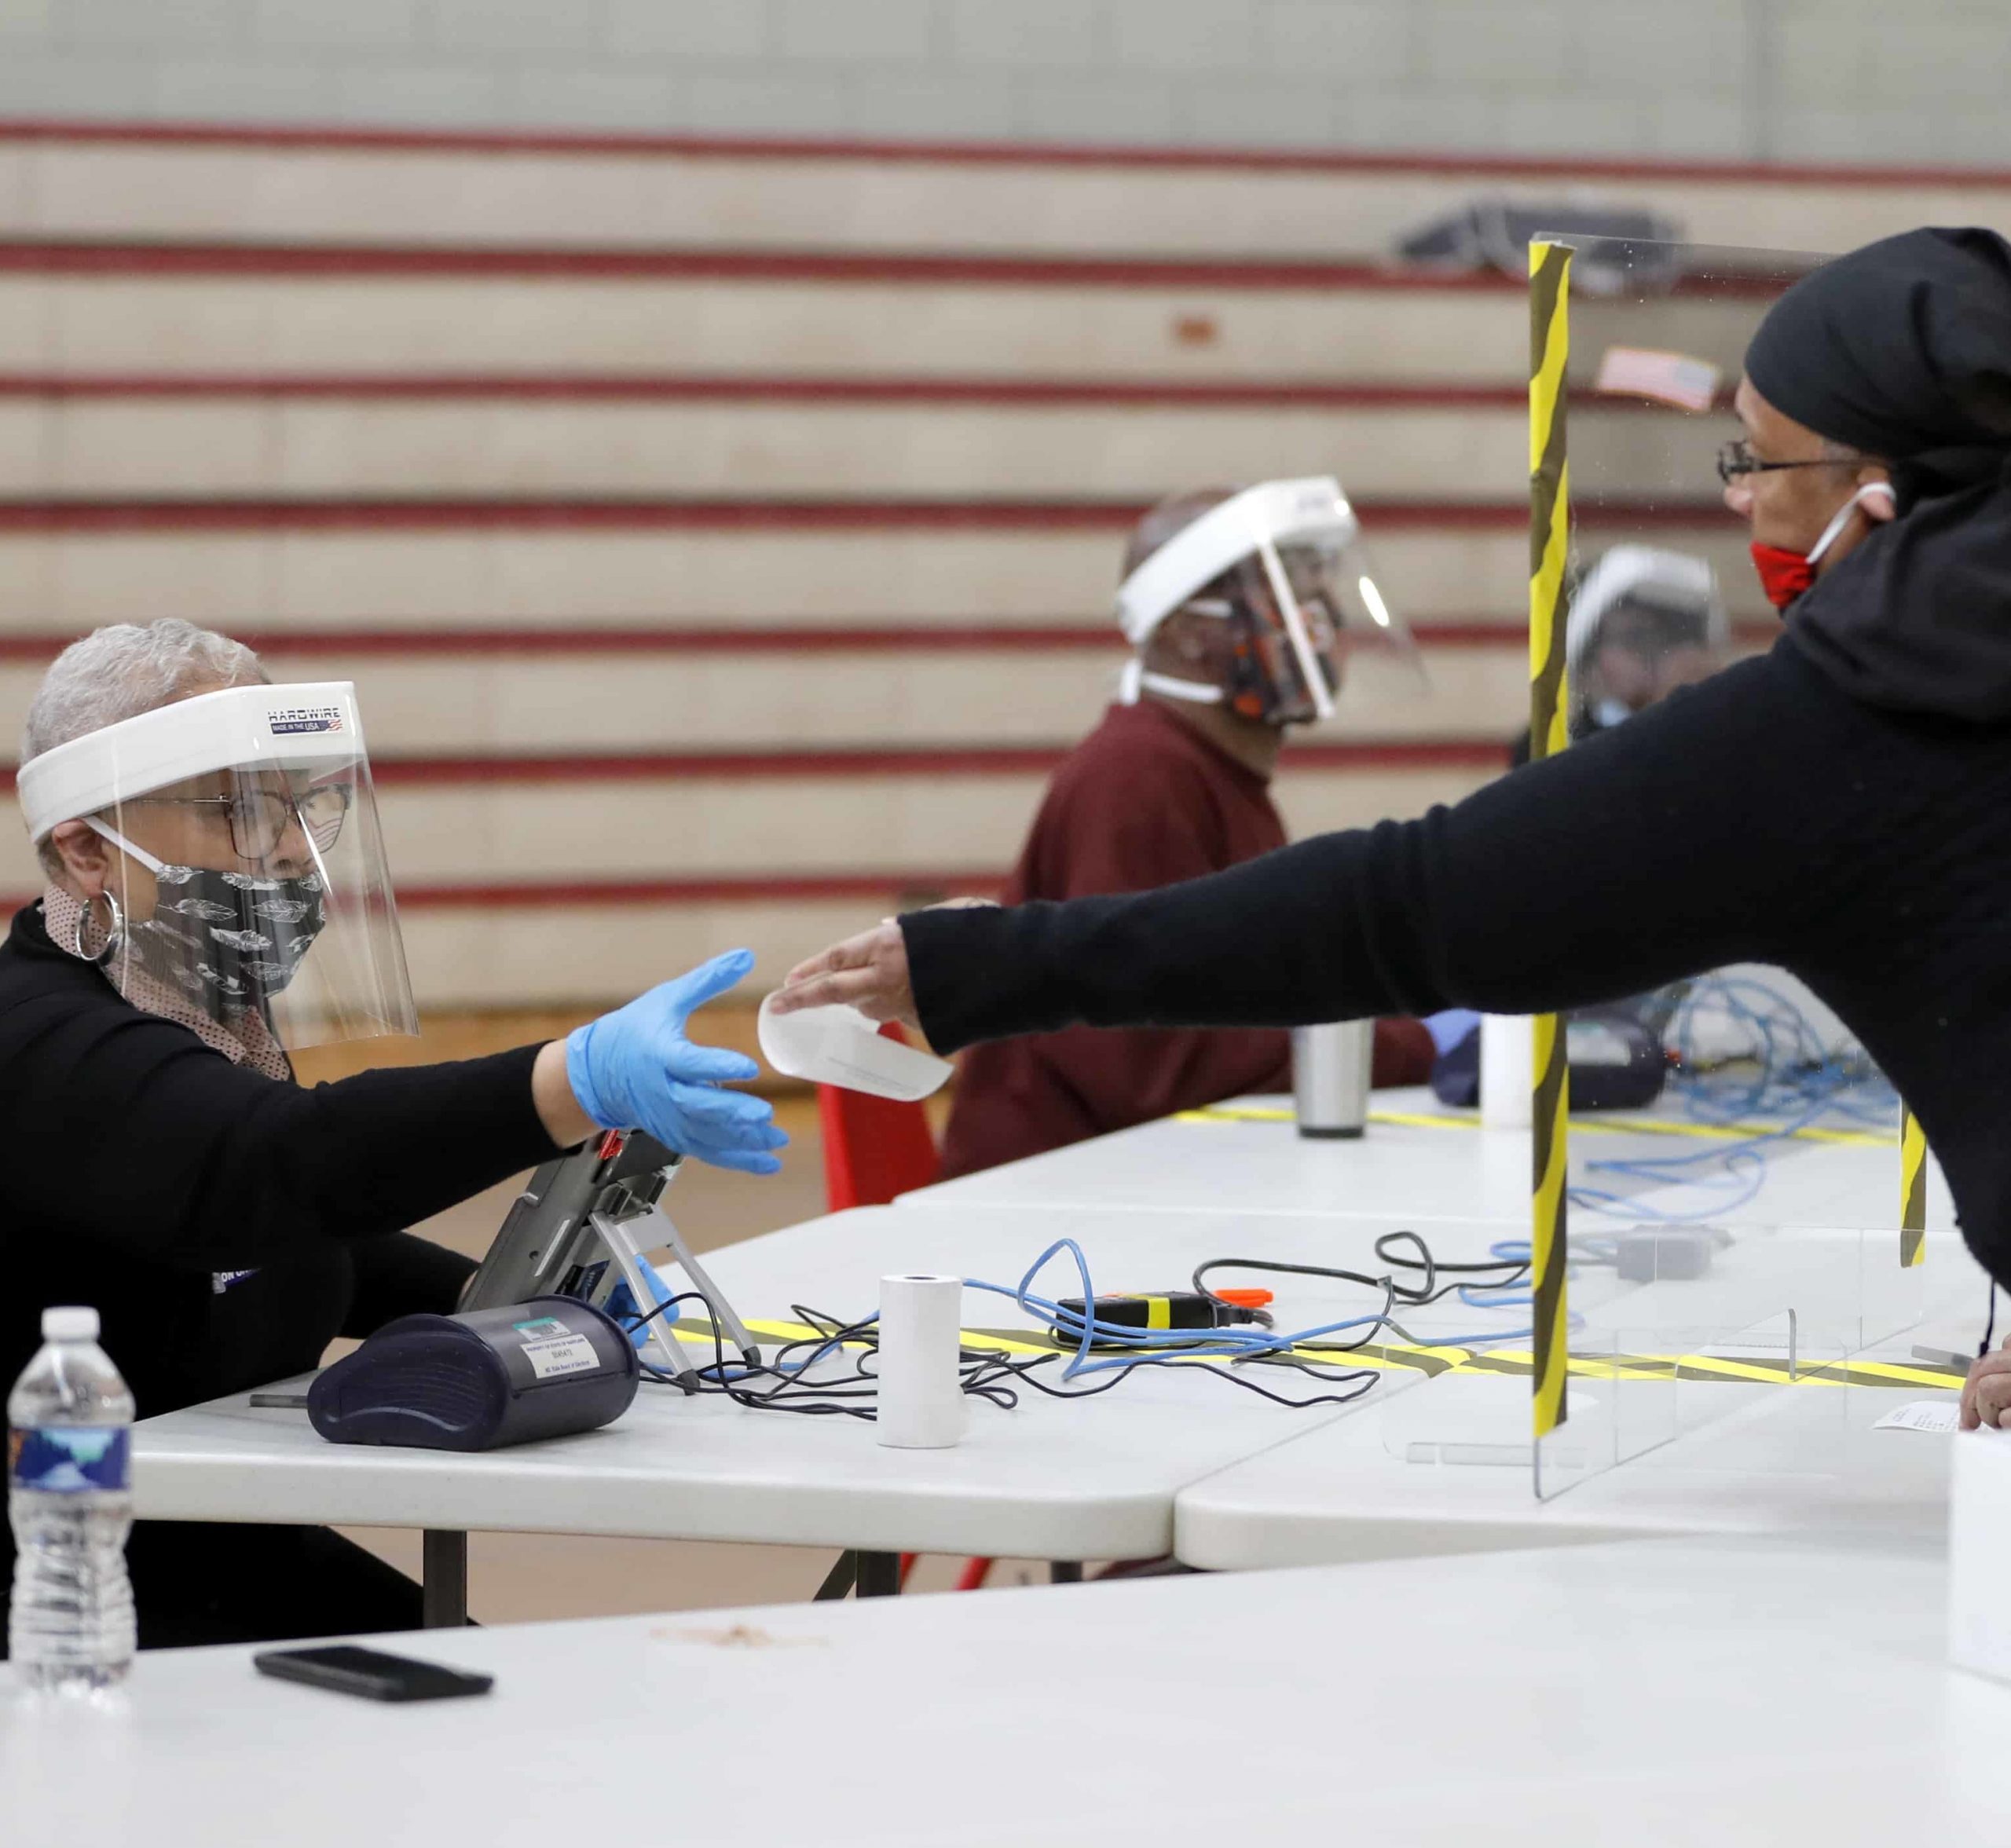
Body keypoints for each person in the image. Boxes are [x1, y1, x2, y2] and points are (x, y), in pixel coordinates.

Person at [771, 226, 2011, 1425]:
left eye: (1758, 461)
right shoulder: (1143, 769)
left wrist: (987, 963)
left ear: (1884, 491)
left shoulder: (1855, 721)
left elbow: (1413, 905)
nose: (1742, 502)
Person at [2, 620, 786, 1649]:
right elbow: (266, 1171)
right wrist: (566, 1080)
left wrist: (494, 1301)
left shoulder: (191, 1013)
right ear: (87, 846)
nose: (284, 847)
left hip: (218, 1549)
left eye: (296, 807)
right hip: (62, 1597)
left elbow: (285, 1245)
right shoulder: (34, 1041)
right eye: (234, 810)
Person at [937, 481, 1436, 1178]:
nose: (1314, 620)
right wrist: (1417, 1048)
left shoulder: (1207, 771)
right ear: (1185, 631)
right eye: (1281, 595)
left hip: (1130, 1180)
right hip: (1052, 1212)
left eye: (1315, 593)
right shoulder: (1139, 776)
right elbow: (1156, 1063)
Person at [1507, 545, 1729, 766]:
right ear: (1590, 657)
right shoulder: (1549, 746)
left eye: (1666, 637)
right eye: (1634, 639)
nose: (1653, 655)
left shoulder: (1711, 739)